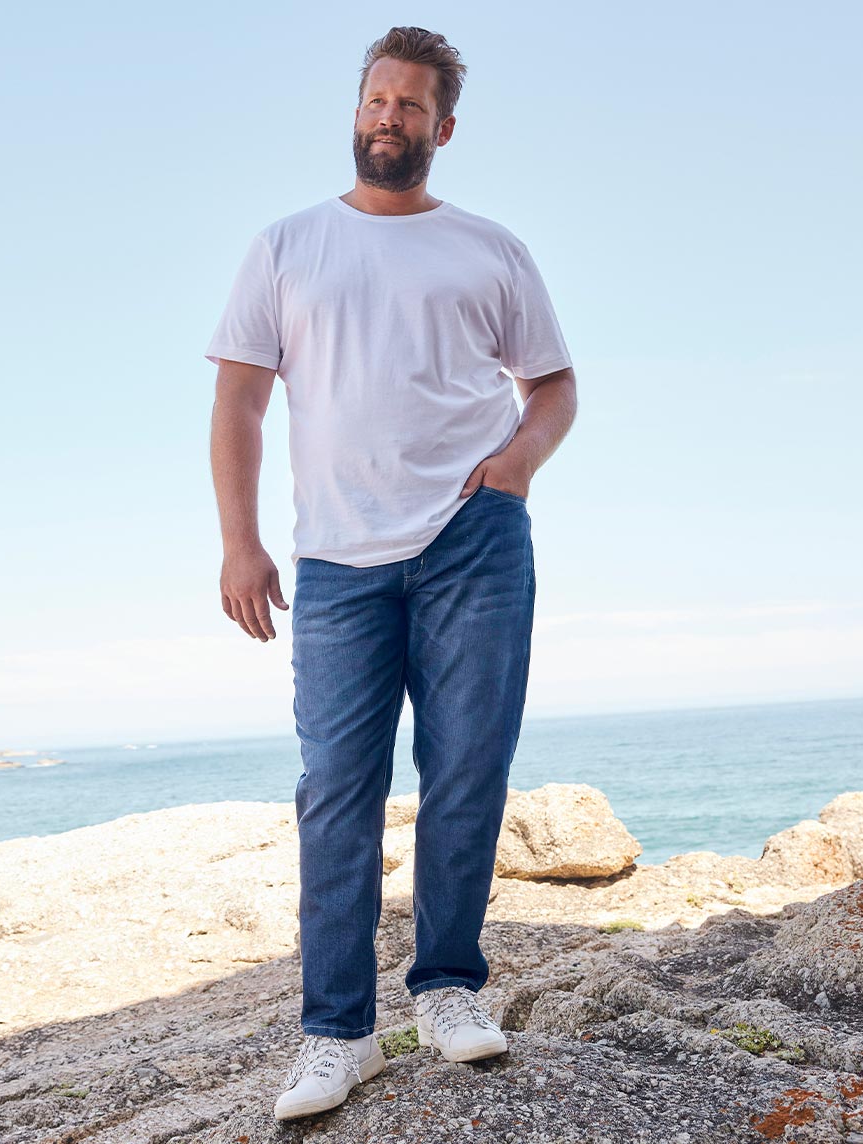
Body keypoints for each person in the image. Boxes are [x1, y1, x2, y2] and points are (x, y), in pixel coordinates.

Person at [205, 26, 577, 1121]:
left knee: (466, 768)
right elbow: (237, 399)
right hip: (335, 557)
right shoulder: (285, 246)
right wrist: (239, 540)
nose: (389, 117)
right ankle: (336, 1033)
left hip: (473, 541)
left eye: (412, 105)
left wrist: (513, 467)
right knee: (336, 790)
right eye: (377, 98)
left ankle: (450, 989)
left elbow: (553, 385)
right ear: (356, 109)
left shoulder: (490, 249)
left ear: (442, 128)